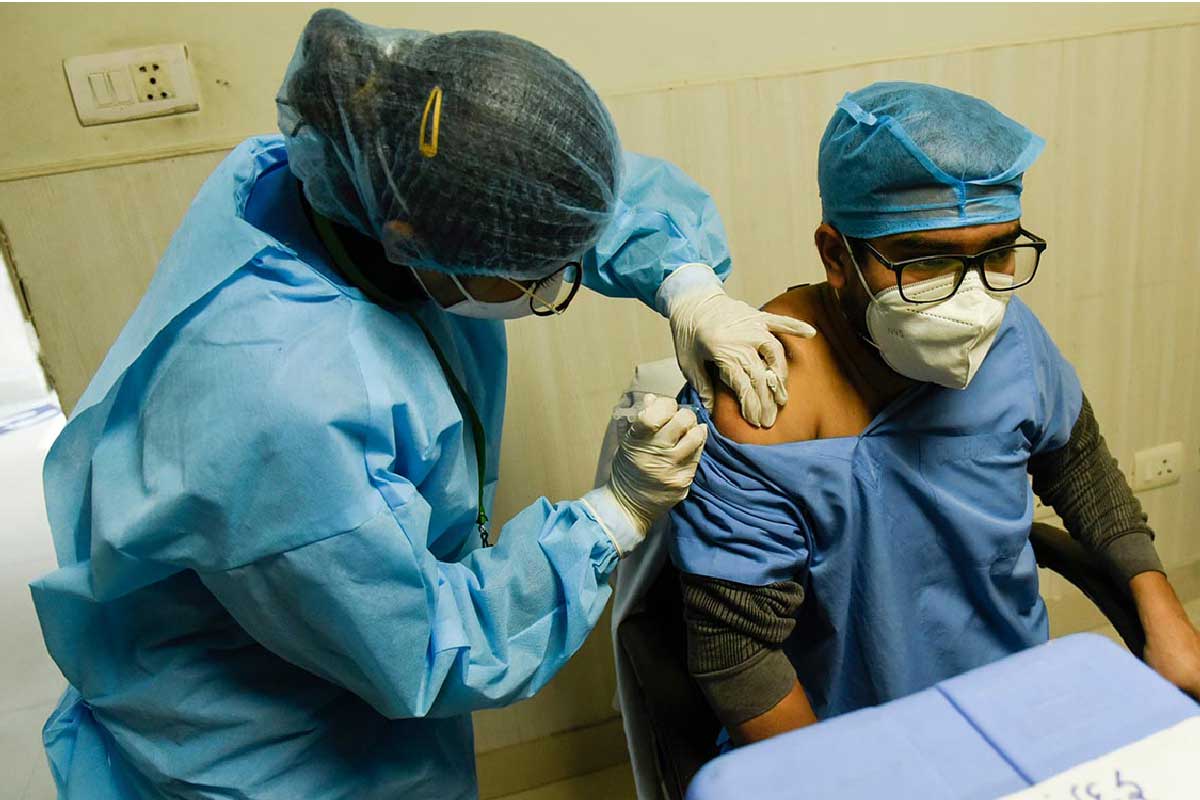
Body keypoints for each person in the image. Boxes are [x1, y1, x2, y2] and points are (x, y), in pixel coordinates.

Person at [30, 10, 814, 799]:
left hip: (342, 655)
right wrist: (611, 519)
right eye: (543, 277)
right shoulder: (284, 402)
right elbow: (427, 645)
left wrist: (687, 282)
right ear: (410, 240)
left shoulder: (366, 176)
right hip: (257, 745)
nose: (559, 281)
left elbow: (566, 201)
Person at [668, 82, 1200, 748]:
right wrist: (831, 773)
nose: (973, 300)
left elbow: (1079, 465)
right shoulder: (765, 398)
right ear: (836, 256)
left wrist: (1166, 614)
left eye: (997, 252)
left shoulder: (1012, 340)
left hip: (1015, 692)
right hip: (849, 734)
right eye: (926, 261)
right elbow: (737, 657)